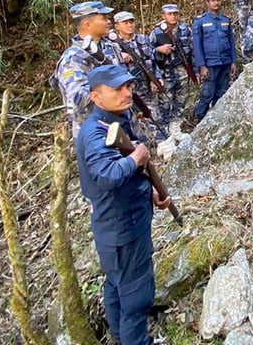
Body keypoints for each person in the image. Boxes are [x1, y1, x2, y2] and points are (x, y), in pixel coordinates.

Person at [75, 64, 172, 345]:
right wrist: (136, 159)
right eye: (117, 89)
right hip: (122, 229)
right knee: (136, 296)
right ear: (95, 97)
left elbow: (124, 178)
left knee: (117, 287)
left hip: (123, 221)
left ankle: (119, 335)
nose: (126, 93)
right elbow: (107, 175)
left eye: (128, 86)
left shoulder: (116, 120)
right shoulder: (96, 133)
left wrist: (149, 194)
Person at [53, 0, 118, 139]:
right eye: (103, 18)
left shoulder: (110, 47)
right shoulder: (73, 59)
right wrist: (116, 93)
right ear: (87, 24)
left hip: (119, 121)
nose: (109, 21)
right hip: (94, 129)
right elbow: (80, 97)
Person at [109, 11, 165, 140]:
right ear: (117, 26)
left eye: (131, 22)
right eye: (125, 23)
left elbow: (152, 60)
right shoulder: (112, 45)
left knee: (153, 115)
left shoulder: (143, 39)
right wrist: (119, 56)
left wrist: (156, 78)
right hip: (126, 90)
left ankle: (161, 142)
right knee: (130, 121)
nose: (129, 25)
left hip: (145, 86)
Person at [192, 0, 237, 121]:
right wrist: (201, 66)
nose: (216, 3)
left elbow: (231, 41)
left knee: (222, 92)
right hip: (210, 64)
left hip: (225, 62)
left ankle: (217, 120)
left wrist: (233, 61)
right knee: (207, 94)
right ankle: (201, 120)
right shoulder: (200, 21)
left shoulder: (225, 20)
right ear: (207, 3)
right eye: (212, 0)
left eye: (217, 0)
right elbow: (197, 45)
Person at [149, 5, 193, 123]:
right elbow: (148, 54)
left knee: (182, 98)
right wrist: (159, 49)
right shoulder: (156, 32)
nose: (173, 16)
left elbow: (193, 48)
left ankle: (177, 124)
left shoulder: (185, 29)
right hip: (165, 72)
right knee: (165, 101)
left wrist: (196, 69)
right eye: (169, 14)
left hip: (183, 69)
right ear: (163, 16)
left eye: (175, 13)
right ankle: (166, 126)